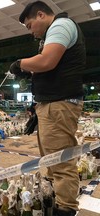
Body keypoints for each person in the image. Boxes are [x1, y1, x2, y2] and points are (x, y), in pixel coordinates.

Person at [9, 1, 85, 216]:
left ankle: (65, 210)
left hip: (59, 105)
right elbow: (48, 67)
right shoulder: (54, 32)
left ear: (41, 15)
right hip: (52, 104)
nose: (31, 32)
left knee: (60, 163)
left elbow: (48, 61)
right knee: (52, 162)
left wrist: (20, 63)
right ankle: (56, 205)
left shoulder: (61, 26)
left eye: (30, 25)